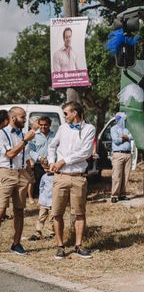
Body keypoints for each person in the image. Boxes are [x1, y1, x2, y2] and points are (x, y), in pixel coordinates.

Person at [47, 101, 95, 260]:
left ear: (75, 113)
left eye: (66, 113)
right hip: (60, 177)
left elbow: (85, 152)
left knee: (79, 213)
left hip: (78, 178)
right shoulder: (62, 128)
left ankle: (78, 246)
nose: (64, 116)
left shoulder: (89, 129)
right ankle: (60, 246)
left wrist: (64, 160)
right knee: (57, 213)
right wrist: (51, 161)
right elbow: (52, 146)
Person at [0, 107, 36, 255]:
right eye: (22, 117)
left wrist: (30, 171)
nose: (25, 120)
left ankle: (16, 243)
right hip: (7, 173)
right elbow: (10, 153)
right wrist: (24, 140)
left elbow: (25, 157)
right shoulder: (2, 133)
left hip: (22, 174)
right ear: (13, 118)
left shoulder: (22, 133)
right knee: (1, 209)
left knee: (19, 210)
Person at [27, 116, 55, 199]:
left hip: (51, 165)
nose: (43, 127)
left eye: (45, 125)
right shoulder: (34, 135)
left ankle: (49, 200)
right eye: (41, 125)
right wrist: (40, 158)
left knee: (50, 184)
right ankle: (40, 201)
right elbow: (31, 150)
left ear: (49, 125)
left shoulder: (55, 135)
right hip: (38, 165)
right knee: (39, 183)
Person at [109, 112, 133, 203]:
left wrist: (125, 137)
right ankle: (114, 195)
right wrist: (127, 138)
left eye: (119, 117)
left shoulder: (128, 129)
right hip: (118, 154)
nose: (117, 119)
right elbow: (116, 140)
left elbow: (133, 136)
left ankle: (122, 194)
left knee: (126, 175)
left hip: (128, 154)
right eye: (116, 117)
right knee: (117, 175)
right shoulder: (113, 129)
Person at [28, 171, 54, 241]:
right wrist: (41, 199)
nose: (47, 170)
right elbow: (41, 188)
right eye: (45, 168)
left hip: (53, 202)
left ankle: (51, 234)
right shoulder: (44, 176)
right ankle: (37, 233)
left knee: (52, 220)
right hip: (44, 202)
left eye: (48, 168)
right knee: (41, 218)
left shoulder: (57, 176)